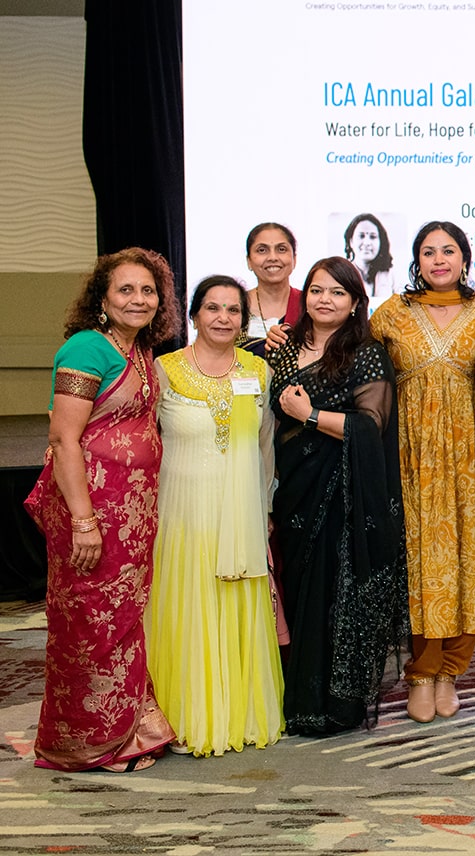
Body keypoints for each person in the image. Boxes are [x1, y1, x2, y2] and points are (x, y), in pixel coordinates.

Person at [25, 247, 180, 771]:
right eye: (126, 289)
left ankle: (128, 726)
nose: (139, 299)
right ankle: (89, 742)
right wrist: (84, 522)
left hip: (131, 515)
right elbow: (64, 440)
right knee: (89, 624)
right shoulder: (86, 348)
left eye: (148, 291)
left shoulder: (140, 350)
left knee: (122, 620)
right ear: (102, 298)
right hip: (90, 512)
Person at [370, 222, 475, 723]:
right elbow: (351, 360)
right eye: (428, 252)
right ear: (417, 260)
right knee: (422, 565)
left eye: (448, 251)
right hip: (410, 460)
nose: (439, 259)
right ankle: (422, 672)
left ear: (465, 259)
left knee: (469, 561)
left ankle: (451, 671)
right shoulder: (391, 314)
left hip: (473, 457)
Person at [268, 257, 407, 736]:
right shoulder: (282, 347)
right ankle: (292, 696)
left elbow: (371, 426)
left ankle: (332, 705)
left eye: (337, 292)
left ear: (354, 303)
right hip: (292, 493)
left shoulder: (366, 354)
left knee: (333, 597)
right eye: (316, 290)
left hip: (342, 498)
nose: (324, 299)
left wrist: (309, 416)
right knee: (294, 594)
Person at [147, 275, 284, 756]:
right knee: (187, 609)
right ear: (194, 315)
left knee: (235, 608)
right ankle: (185, 716)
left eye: (232, 310)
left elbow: (265, 446)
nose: (223, 317)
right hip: (182, 514)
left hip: (241, 512)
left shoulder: (259, 371)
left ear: (243, 320)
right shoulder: (164, 369)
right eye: (212, 308)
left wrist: (265, 507)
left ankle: (238, 715)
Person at [243, 222, 303, 358]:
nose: (272, 258)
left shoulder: (309, 306)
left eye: (281, 249)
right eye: (262, 250)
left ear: (294, 259)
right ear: (249, 261)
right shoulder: (235, 307)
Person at [343, 212, 396, 302]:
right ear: (351, 242)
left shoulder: (392, 275)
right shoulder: (342, 274)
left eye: (372, 237)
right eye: (361, 236)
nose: (367, 243)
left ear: (381, 242)